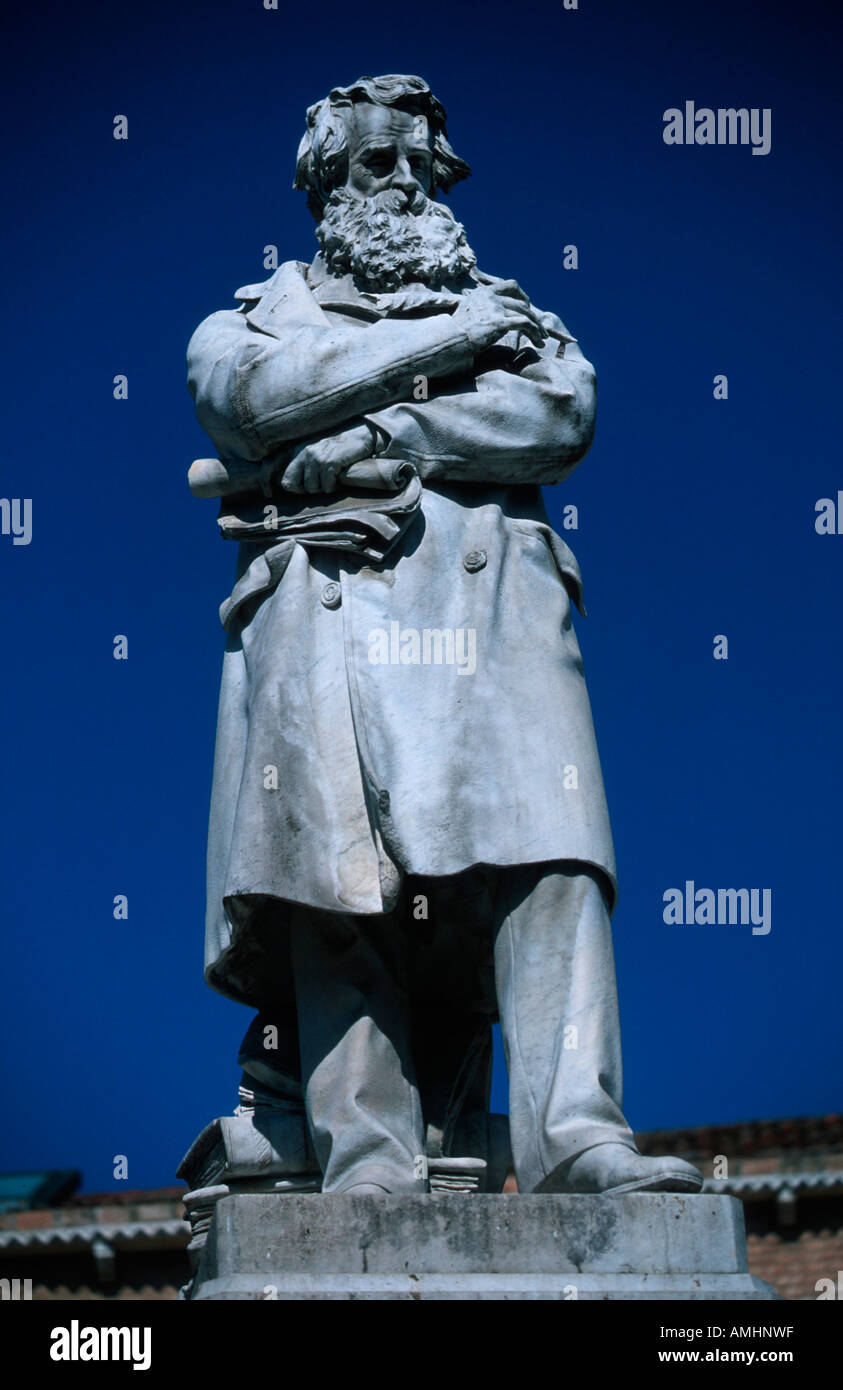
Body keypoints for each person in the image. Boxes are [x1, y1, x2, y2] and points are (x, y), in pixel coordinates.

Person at [187, 73, 702, 1198]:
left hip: (498, 616)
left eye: (426, 162)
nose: (410, 180)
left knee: (552, 859)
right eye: (379, 162)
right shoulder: (254, 322)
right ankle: (367, 1159)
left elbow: (556, 415)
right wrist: (457, 339)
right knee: (335, 886)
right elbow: (260, 403)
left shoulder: (524, 313)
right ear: (326, 183)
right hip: (330, 620)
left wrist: (375, 426)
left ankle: (581, 1137)